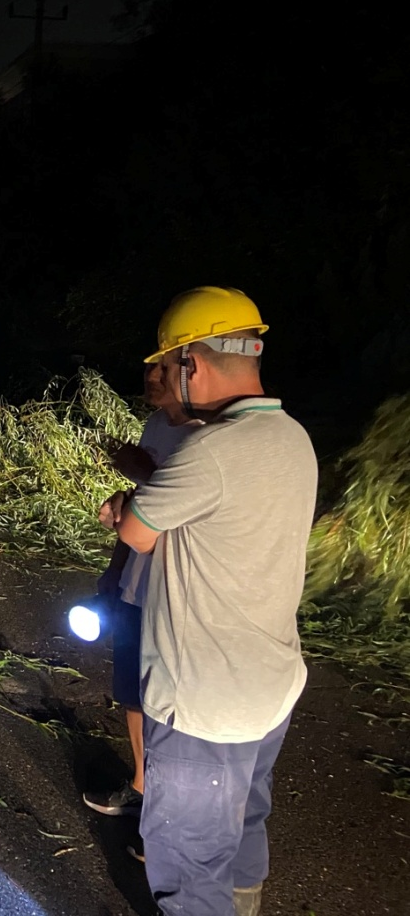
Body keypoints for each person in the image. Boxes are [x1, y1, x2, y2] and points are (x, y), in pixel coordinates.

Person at [106, 287, 316, 916]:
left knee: (188, 864)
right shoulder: (293, 438)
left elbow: (136, 531)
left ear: (191, 364)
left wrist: (123, 508)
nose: (161, 380)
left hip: (204, 701)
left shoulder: (211, 449)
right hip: (269, 689)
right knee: (243, 830)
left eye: (166, 366)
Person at [82, 361, 199, 821]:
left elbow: (190, 508)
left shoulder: (208, 437)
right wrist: (115, 568)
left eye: (162, 366)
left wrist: (144, 473)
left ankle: (172, 812)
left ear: (189, 369)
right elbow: (143, 500)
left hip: (178, 589)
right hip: (136, 579)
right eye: (148, 366)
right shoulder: (156, 425)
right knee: (132, 688)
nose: (150, 374)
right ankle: (141, 785)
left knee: (173, 701)